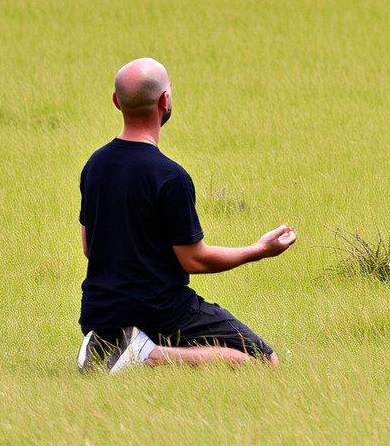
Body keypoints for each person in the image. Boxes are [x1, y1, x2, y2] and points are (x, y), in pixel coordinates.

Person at [76, 58, 296, 373]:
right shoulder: (170, 176)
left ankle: (112, 345)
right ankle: (144, 355)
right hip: (162, 311)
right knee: (263, 362)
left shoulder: (94, 165)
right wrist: (259, 250)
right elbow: (194, 260)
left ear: (116, 102)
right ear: (165, 101)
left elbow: (89, 247)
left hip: (99, 313)